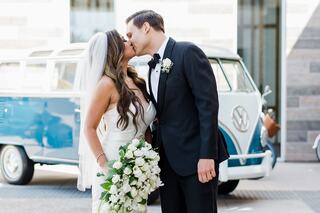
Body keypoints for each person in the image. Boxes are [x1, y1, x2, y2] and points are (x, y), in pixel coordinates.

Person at [126, 10, 229, 213]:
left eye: (130, 34)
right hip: (167, 164)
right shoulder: (150, 67)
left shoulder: (187, 52)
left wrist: (207, 156)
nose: (129, 40)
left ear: (146, 27)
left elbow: (208, 106)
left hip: (196, 161)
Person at [76, 30, 156, 212]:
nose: (129, 41)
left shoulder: (137, 80)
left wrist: (147, 160)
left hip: (138, 167)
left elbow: (145, 127)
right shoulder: (106, 85)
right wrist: (106, 166)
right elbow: (89, 128)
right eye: (122, 40)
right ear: (114, 50)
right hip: (114, 164)